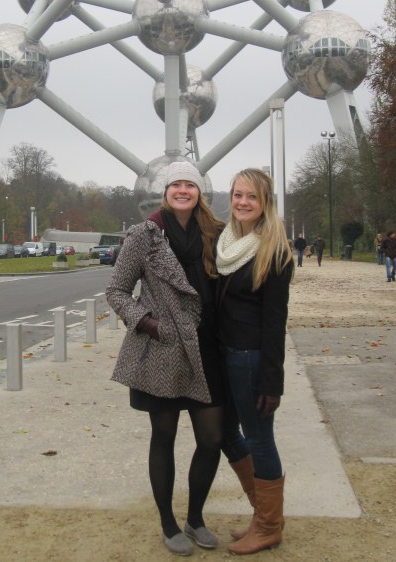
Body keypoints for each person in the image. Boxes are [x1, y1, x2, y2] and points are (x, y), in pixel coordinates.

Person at [106, 161, 225, 556]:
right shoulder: (144, 236)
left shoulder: (215, 233)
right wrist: (150, 324)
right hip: (164, 348)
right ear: (165, 190)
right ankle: (168, 523)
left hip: (207, 348)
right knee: (165, 436)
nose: (182, 190)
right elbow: (117, 291)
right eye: (176, 184)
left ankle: (195, 517)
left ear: (199, 191)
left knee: (211, 438)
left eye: (189, 185)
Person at [215, 168, 293, 555]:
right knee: (226, 433)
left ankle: (268, 526)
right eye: (237, 194)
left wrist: (271, 381)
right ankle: (261, 515)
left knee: (260, 440)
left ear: (265, 204)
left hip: (251, 360)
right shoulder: (227, 243)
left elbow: (275, 323)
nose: (242, 202)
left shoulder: (274, 251)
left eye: (251, 197)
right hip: (226, 356)